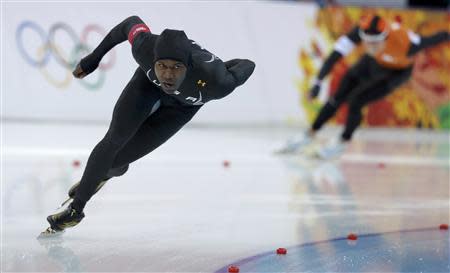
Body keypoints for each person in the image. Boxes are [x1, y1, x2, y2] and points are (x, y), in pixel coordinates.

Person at [40, 16, 255, 236]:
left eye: (176, 68)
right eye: (161, 66)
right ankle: (76, 210)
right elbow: (129, 23)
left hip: (180, 109)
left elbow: (248, 64)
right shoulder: (144, 47)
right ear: (153, 59)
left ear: (189, 66)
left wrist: (221, 67)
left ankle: (101, 176)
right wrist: (94, 58)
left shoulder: (217, 82)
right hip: (147, 86)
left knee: (116, 162)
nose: (168, 75)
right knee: (113, 140)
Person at [278, 14, 449, 159]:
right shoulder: (359, 34)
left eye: (375, 43)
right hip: (373, 63)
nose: (370, 46)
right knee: (338, 95)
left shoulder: (407, 42)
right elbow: (334, 56)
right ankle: (309, 134)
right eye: (367, 42)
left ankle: (342, 142)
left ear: (386, 37)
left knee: (356, 101)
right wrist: (317, 82)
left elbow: (437, 38)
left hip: (397, 72)